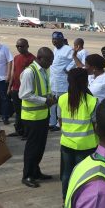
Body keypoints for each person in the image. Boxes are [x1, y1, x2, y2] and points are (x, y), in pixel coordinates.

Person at [57, 68, 98, 201]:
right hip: (86, 145)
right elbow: (96, 125)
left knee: (66, 174)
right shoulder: (92, 101)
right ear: (85, 82)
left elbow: (60, 122)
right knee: (83, 175)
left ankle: (66, 199)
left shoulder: (62, 99)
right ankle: (80, 200)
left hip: (67, 143)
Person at [19, 47, 55, 188]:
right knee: (32, 147)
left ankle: (35, 171)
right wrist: (44, 101)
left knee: (40, 147)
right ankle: (27, 175)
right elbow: (24, 94)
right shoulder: (30, 72)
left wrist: (51, 97)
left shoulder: (45, 70)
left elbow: (45, 89)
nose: (51, 63)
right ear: (40, 58)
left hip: (43, 115)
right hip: (32, 116)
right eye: (49, 61)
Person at [8, 38, 35, 138]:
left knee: (26, 112)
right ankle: (19, 130)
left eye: (22, 46)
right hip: (15, 89)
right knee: (18, 112)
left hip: (25, 91)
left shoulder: (32, 59)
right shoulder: (16, 58)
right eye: (17, 46)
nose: (19, 48)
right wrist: (10, 87)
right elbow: (14, 73)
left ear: (27, 46)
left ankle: (26, 132)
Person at [49, 32, 73, 132]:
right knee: (52, 104)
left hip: (63, 82)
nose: (54, 41)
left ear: (62, 40)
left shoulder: (68, 49)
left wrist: (68, 68)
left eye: (56, 39)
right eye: (53, 39)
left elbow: (75, 60)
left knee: (61, 105)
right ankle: (52, 122)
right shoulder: (55, 49)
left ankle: (59, 124)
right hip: (54, 81)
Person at [0, 36, 14, 125]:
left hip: (2, 78)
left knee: (4, 98)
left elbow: (10, 61)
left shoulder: (4, 48)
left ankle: (5, 117)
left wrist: (8, 74)